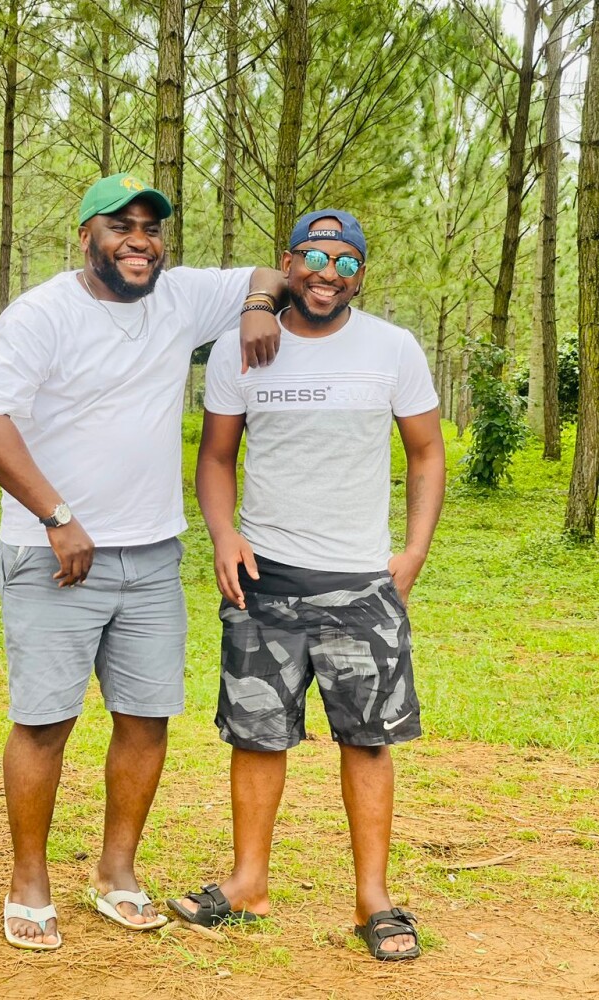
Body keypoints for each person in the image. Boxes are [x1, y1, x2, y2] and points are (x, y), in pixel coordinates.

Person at [0, 172, 286, 950]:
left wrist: (256, 305)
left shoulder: (180, 297)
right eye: (121, 226)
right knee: (45, 720)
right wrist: (58, 516)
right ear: (87, 236)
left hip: (152, 554)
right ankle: (28, 881)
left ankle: (116, 872)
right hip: (55, 555)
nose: (140, 240)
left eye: (151, 227)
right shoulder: (42, 314)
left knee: (145, 718)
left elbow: (268, 272)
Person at [168, 209, 445, 961]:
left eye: (346, 262)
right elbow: (216, 457)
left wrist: (414, 552)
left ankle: (373, 900)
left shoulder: (392, 348)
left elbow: (425, 452)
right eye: (315, 258)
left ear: (362, 274)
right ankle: (248, 883)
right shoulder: (243, 348)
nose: (328, 274)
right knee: (257, 737)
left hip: (361, 585)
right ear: (288, 263)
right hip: (265, 583)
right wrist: (224, 534)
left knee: (368, 741)